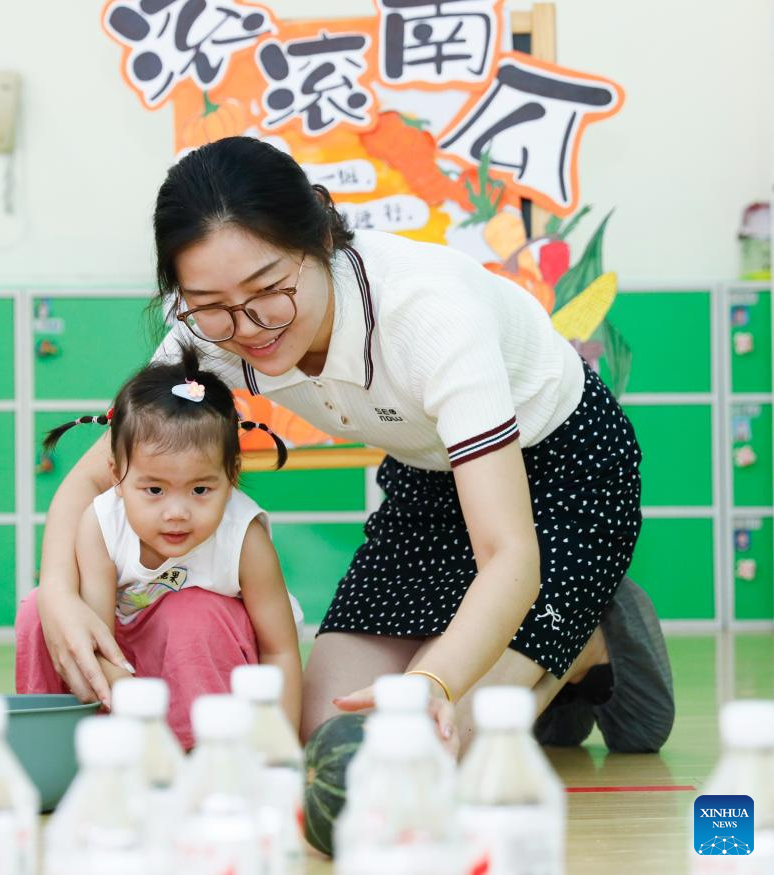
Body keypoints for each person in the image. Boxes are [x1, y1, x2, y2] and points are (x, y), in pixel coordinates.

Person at [34, 136, 674, 756]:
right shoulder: (208, 335)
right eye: (210, 305)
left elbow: (508, 551)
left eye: (269, 290)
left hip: (565, 472)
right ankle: (538, 649)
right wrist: (58, 592)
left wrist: (434, 680)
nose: (249, 328)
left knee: (417, 747)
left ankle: (583, 638)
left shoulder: (429, 313)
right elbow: (96, 475)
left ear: (320, 237)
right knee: (330, 738)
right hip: (430, 474)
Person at [15, 347, 302, 748]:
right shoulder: (101, 523)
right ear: (116, 475)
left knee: (191, 612)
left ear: (232, 476)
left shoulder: (244, 538)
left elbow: (280, 651)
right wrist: (126, 699)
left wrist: (282, 750)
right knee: (38, 609)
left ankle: (201, 751)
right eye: (154, 490)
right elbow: (101, 641)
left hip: (210, 663)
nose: (176, 513)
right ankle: (58, 745)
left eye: (200, 490)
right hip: (128, 658)